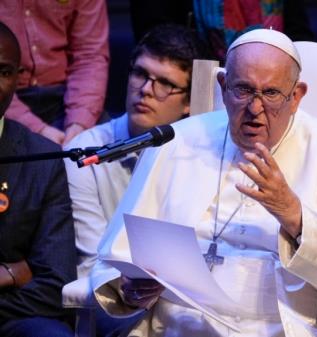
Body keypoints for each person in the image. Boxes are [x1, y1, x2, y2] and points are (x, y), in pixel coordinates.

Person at [89, 28, 317, 336]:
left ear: (296, 96)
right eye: (243, 90)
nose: (255, 109)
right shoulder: (177, 144)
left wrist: (295, 217)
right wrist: (129, 290)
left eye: (271, 93)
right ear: (223, 85)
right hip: (179, 329)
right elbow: (115, 258)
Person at [64, 24, 202, 337]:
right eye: (141, 74)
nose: (147, 90)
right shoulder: (82, 155)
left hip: (185, 307)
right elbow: (91, 258)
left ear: (188, 104)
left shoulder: (199, 157)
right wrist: (128, 287)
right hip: (112, 302)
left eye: (165, 83)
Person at [0, 22, 77, 337]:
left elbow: (55, 284)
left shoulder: (43, 159)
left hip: (12, 317)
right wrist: (13, 271)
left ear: (18, 79)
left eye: (3, 72)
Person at [0, 0, 109, 145]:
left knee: (106, 145)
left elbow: (90, 54)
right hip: (8, 97)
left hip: (66, 96)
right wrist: (39, 130)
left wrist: (78, 124)